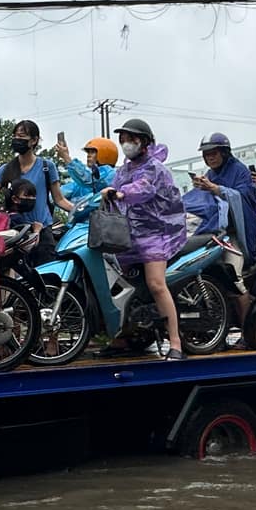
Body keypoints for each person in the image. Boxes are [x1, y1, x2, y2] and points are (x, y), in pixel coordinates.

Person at [101, 117, 189, 359]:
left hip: (156, 233)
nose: (126, 144)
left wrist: (122, 193)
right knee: (124, 288)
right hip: (129, 235)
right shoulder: (123, 170)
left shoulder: (155, 168)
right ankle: (124, 337)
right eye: (123, 140)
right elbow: (112, 191)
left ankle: (175, 343)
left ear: (144, 142)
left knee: (156, 284)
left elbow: (144, 188)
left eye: (131, 139)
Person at [0, 120, 61, 230]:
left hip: (42, 227)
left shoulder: (47, 167)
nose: (17, 139)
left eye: (21, 136)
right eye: (15, 136)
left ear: (34, 140)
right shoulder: (5, 169)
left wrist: (76, 210)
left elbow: (59, 200)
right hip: (14, 230)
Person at [185, 133, 256, 255]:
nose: (210, 158)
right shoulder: (210, 173)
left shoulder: (240, 170)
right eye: (206, 154)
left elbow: (245, 198)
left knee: (234, 260)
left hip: (234, 230)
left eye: (213, 153)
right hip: (210, 230)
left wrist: (216, 189)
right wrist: (200, 187)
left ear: (224, 153)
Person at [56, 136, 119, 215]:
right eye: (88, 152)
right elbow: (57, 195)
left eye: (92, 152)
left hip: (101, 220)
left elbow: (88, 180)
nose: (88, 155)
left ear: (105, 154)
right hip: (79, 221)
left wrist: (66, 157)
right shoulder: (79, 184)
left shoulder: (110, 173)